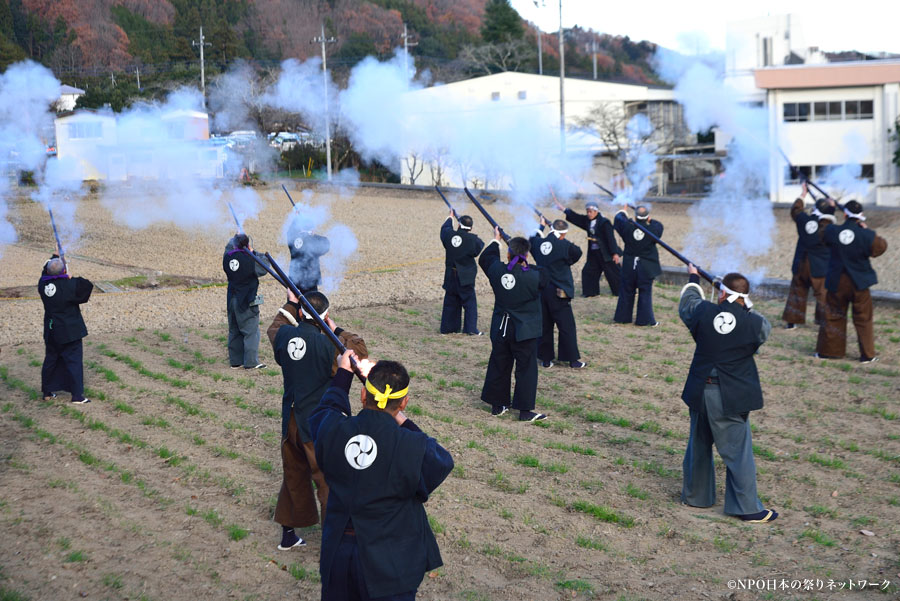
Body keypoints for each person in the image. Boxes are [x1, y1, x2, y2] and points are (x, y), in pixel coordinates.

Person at [310, 350, 453, 601]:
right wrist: (398, 416)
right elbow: (440, 460)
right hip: (389, 561)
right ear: (404, 402)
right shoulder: (412, 446)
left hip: (339, 555)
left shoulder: (333, 429)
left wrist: (343, 374)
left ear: (363, 394)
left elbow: (326, 411)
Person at [267, 289, 368, 551]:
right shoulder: (328, 345)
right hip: (319, 422)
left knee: (294, 473)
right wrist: (337, 330)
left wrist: (290, 304)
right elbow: (358, 352)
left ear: (301, 313)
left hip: (291, 417)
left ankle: (288, 534)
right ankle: (334, 541)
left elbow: (275, 328)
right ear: (325, 315)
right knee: (327, 480)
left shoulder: (285, 335)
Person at [679, 265, 777, 523]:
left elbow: (688, 302)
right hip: (730, 395)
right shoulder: (755, 323)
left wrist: (693, 278)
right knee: (738, 453)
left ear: (722, 294)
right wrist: (743, 304)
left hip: (700, 390)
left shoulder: (703, 310)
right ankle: (746, 508)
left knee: (699, 445)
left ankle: (696, 496)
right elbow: (761, 329)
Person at [479, 227, 549, 421]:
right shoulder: (534, 275)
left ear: (508, 253)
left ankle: (497, 405)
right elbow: (544, 272)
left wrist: (496, 240)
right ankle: (525, 410)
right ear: (525, 255)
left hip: (501, 327)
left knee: (499, 363)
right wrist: (526, 259)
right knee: (526, 369)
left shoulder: (496, 270)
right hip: (525, 330)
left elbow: (486, 259)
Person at [815, 200, 888, 362]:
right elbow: (881, 247)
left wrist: (830, 210)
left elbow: (821, 232)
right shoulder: (867, 234)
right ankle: (867, 355)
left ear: (845, 214)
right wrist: (867, 230)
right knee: (863, 319)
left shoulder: (833, 231)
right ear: (860, 217)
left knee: (833, 316)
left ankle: (830, 352)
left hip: (837, 282)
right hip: (859, 283)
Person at [529, 217, 585, 369]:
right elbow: (577, 253)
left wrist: (541, 227)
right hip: (559, 292)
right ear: (563, 233)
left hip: (541, 290)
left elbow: (532, 239)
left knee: (545, 325)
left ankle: (545, 359)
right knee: (566, 326)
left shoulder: (538, 243)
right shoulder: (565, 245)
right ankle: (572, 360)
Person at [39, 254, 93, 404]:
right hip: (69, 331)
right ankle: (77, 396)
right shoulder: (70, 285)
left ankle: (47, 392)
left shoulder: (42, 285)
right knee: (74, 362)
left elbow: (45, 271)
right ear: (63, 273)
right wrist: (69, 277)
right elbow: (86, 285)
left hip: (51, 330)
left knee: (51, 359)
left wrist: (55, 256)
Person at [781, 182, 836, 329]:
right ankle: (824, 322)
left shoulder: (805, 221)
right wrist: (832, 206)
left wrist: (803, 194)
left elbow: (796, 210)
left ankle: (792, 322)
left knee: (797, 293)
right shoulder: (831, 229)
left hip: (801, 264)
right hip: (820, 268)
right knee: (823, 296)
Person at [223, 233, 269, 369]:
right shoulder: (251, 260)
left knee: (234, 330)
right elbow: (265, 263)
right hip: (247, 300)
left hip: (231, 299)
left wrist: (236, 239)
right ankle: (251, 362)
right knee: (251, 331)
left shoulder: (227, 257)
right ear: (247, 245)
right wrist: (253, 251)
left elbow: (228, 247)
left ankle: (235, 361)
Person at [557, 199, 621, 296]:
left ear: (596, 211)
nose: (589, 214)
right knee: (588, 272)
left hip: (606, 253)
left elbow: (611, 239)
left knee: (613, 273)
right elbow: (576, 217)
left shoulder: (605, 222)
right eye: (587, 212)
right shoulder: (586, 220)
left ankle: (620, 291)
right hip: (594, 254)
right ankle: (590, 293)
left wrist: (615, 253)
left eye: (591, 212)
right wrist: (564, 209)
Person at [613, 205, 663, 327]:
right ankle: (644, 320)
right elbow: (659, 225)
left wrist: (623, 211)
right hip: (646, 266)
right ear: (648, 217)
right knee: (645, 292)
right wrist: (649, 220)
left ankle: (622, 317)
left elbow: (618, 219)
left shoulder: (627, 227)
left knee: (626, 290)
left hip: (630, 265)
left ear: (635, 217)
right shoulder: (653, 229)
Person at [439, 211, 485, 335]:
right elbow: (479, 247)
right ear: (471, 228)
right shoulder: (473, 240)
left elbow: (445, 229)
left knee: (450, 301)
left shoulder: (449, 235)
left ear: (458, 225)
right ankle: (470, 329)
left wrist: (450, 217)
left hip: (450, 275)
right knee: (470, 303)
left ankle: (448, 329)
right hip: (465, 276)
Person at [287, 227, 330, 293]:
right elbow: (326, 245)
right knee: (311, 301)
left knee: (293, 301)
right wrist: (311, 234)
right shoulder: (312, 240)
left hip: (294, 278)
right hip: (310, 279)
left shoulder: (292, 237)